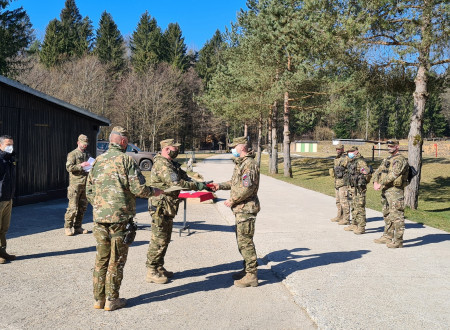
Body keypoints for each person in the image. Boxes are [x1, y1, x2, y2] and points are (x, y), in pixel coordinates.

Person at [86, 126, 158, 311]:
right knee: (116, 260)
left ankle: (98, 299)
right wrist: (155, 191)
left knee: (101, 258)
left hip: (100, 218)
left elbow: (89, 191)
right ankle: (112, 299)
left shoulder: (98, 161)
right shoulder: (127, 160)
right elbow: (138, 189)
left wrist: (102, 206)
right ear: (124, 142)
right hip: (120, 219)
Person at [145, 139, 208, 284]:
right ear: (167, 149)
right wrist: (196, 185)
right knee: (158, 238)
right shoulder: (162, 164)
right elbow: (177, 183)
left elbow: (184, 177)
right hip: (160, 205)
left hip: (168, 205)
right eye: (175, 148)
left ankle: (159, 267)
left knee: (165, 238)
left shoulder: (171, 164)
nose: (177, 150)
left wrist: (200, 183)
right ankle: (151, 270)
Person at [212, 136, 260, 287]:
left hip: (246, 208)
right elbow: (235, 183)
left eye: (234, 147)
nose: (232, 150)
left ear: (241, 148)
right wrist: (219, 186)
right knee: (241, 241)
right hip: (241, 209)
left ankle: (252, 275)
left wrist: (233, 200)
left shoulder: (249, 165)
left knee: (245, 242)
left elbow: (247, 188)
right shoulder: (241, 163)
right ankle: (247, 269)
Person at [373, 140, 409, 248]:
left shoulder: (400, 160)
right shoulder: (387, 159)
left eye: (392, 146)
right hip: (386, 190)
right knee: (387, 214)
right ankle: (387, 236)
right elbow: (378, 171)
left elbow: (394, 174)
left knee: (397, 216)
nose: (389, 148)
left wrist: (381, 183)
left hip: (395, 191)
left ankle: (398, 241)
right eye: (388, 146)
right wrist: (375, 181)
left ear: (397, 146)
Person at [64, 134, 91, 236]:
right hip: (75, 185)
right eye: (83, 144)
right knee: (72, 208)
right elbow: (69, 167)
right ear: (78, 142)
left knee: (82, 207)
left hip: (85, 184)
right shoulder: (73, 154)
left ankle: (78, 227)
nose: (85, 146)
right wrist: (81, 165)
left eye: (86, 144)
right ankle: (68, 227)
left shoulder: (87, 154)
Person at [344, 146, 371, 235]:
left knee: (360, 207)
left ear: (356, 151)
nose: (349, 153)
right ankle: (354, 224)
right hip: (352, 188)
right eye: (348, 152)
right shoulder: (351, 161)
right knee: (353, 206)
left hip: (359, 189)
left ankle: (361, 227)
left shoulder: (360, 161)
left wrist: (363, 176)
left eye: (351, 151)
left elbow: (366, 171)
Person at [0, 135, 16, 264]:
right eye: (7, 145)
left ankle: (2, 251)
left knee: (4, 228)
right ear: (0, 145)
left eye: (11, 144)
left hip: (8, 198)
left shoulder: (9, 159)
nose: (10, 147)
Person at [329, 144, 350, 224]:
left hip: (344, 183)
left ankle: (346, 219)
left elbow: (350, 169)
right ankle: (339, 216)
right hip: (337, 182)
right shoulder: (336, 158)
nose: (338, 150)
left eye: (339, 149)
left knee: (344, 201)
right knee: (338, 201)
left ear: (343, 149)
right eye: (337, 149)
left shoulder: (346, 158)